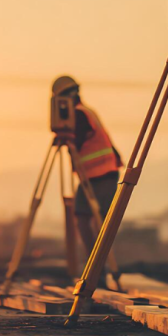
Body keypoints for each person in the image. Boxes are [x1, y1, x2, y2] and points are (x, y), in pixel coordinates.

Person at [52, 76, 123, 263]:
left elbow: (78, 140)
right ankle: (94, 264)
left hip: (104, 174)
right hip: (90, 177)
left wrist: (64, 135)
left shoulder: (81, 114)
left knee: (100, 222)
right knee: (82, 217)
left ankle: (101, 268)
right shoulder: (84, 112)